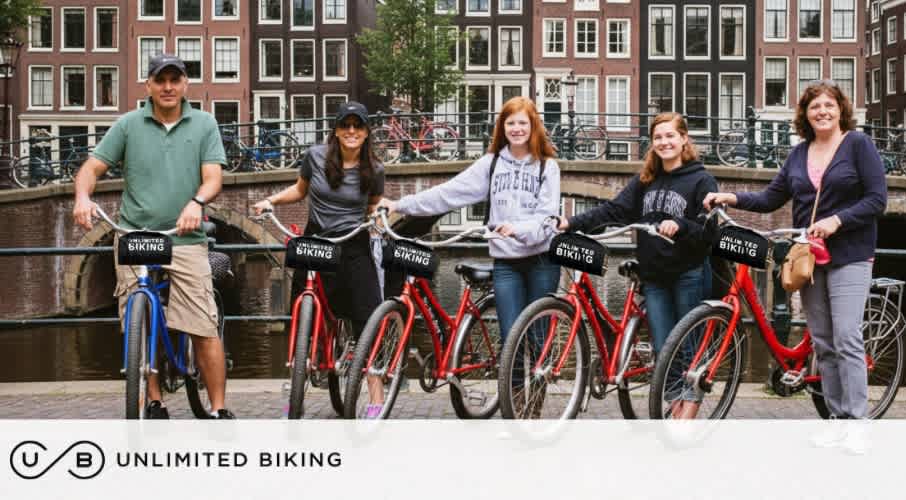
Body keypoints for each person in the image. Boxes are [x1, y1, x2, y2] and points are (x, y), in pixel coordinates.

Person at [704, 80, 887, 428]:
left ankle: (857, 423)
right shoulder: (799, 154)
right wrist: (732, 198)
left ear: (841, 110)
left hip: (850, 254)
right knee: (823, 342)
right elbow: (772, 198)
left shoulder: (858, 145)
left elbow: (878, 199)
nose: (822, 111)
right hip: (810, 257)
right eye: (814, 106)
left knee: (847, 336)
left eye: (829, 105)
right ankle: (836, 418)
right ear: (805, 113)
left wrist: (837, 220)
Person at [72, 54, 234, 419]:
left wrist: (197, 203)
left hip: (185, 238)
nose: (168, 87)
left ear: (185, 85)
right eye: (160, 80)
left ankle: (219, 409)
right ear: (148, 85)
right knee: (136, 319)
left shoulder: (204, 124)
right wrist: (83, 196)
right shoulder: (128, 125)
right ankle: (154, 398)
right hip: (134, 234)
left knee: (203, 326)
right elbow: (92, 168)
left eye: (175, 80)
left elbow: (213, 178)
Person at [376, 96, 561, 415]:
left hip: (542, 260)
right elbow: (450, 192)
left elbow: (547, 217)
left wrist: (519, 229)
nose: (516, 128)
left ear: (533, 127)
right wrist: (401, 205)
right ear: (502, 127)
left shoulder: (548, 166)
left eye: (523, 123)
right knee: (510, 339)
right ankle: (516, 413)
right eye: (510, 122)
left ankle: (534, 410)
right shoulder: (491, 164)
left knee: (538, 337)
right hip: (506, 263)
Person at [557, 112, 716, 419]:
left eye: (670, 136)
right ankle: (675, 403)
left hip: (688, 274)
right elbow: (614, 210)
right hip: (654, 277)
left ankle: (688, 413)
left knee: (688, 346)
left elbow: (709, 231)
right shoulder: (645, 180)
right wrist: (571, 223)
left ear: (684, 139)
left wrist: (680, 225)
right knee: (662, 347)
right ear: (652, 143)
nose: (664, 142)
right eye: (658, 137)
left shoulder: (701, 179)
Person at [251, 102, 386, 417]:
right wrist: (269, 201)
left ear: (366, 132)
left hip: (353, 245)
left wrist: (377, 220)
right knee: (303, 317)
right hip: (315, 242)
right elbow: (300, 191)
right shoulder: (315, 157)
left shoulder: (375, 170)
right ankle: (296, 388)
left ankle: (376, 396)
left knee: (367, 316)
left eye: (358, 126)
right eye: (345, 125)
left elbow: (373, 206)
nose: (351, 131)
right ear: (336, 130)